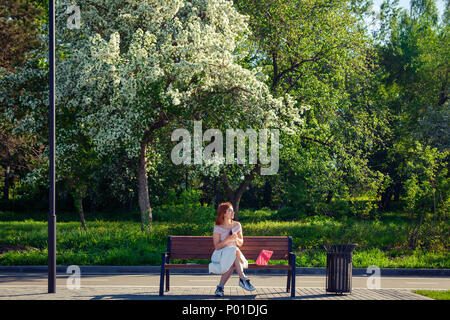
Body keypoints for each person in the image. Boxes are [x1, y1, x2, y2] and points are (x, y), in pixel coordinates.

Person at [211, 202, 255, 297]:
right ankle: (243, 279)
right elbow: (217, 247)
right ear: (224, 213)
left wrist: (236, 239)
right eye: (230, 210)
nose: (233, 212)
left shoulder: (237, 225)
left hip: (233, 253)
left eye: (232, 210)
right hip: (220, 255)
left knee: (233, 255)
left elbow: (241, 243)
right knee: (233, 251)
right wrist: (228, 239)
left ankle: (220, 288)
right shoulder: (218, 227)